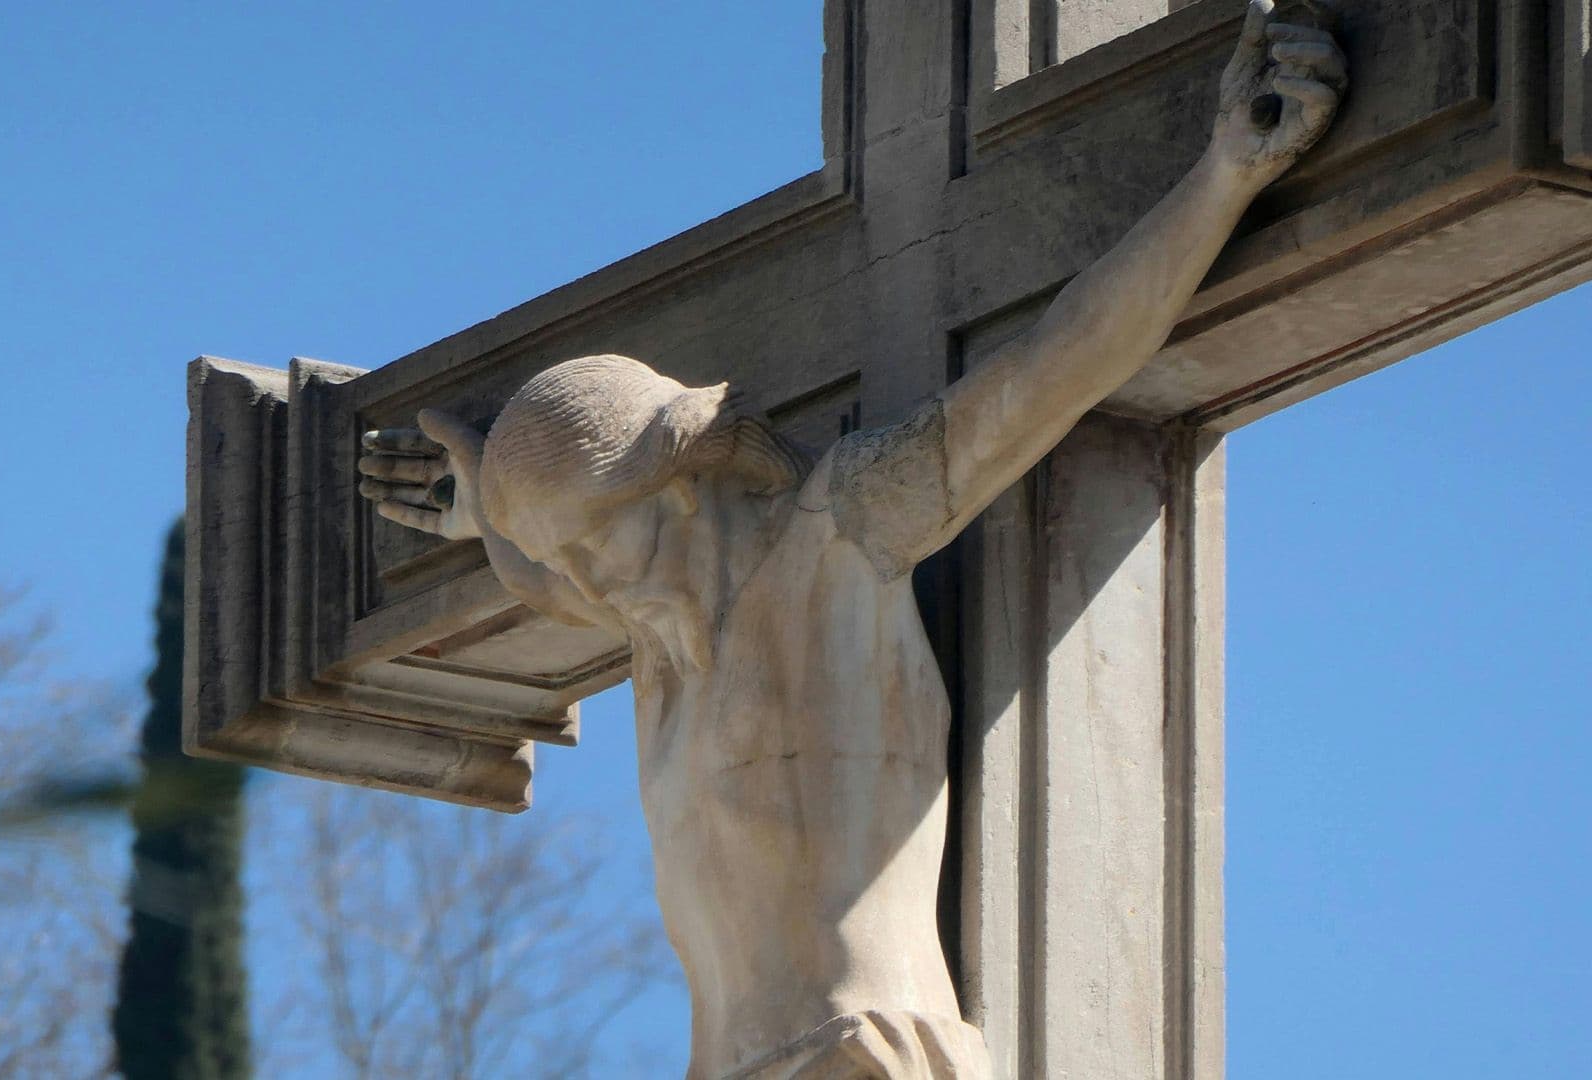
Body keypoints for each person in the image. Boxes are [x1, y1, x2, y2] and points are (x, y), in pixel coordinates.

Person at [357, 4, 1344, 1075]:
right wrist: (484, 516)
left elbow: (1057, 368)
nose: (583, 579)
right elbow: (548, 579)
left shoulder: (840, 535)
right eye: (564, 556)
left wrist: (1224, 178)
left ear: (680, 484)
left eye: (593, 540)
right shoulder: (657, 634)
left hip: (863, 1058)